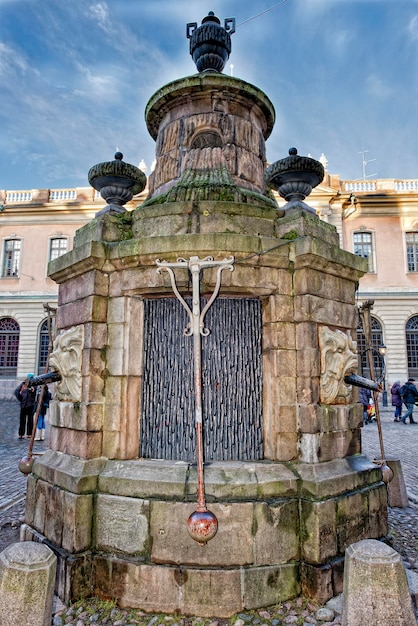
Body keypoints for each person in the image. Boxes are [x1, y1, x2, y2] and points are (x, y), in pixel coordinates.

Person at [14, 374, 37, 439]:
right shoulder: (23, 384)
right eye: (29, 378)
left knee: (30, 420)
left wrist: (33, 391)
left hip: (30, 405)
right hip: (23, 405)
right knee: (22, 420)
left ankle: (29, 434)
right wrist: (20, 398)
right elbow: (16, 391)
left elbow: (34, 395)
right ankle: (21, 434)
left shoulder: (34, 385)